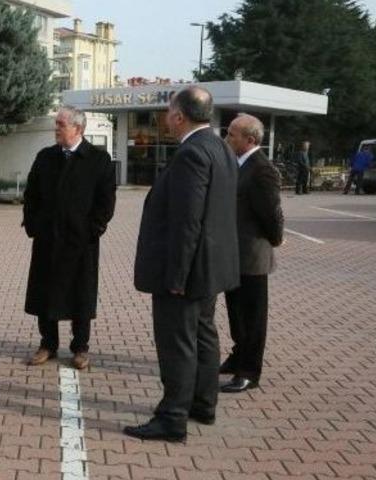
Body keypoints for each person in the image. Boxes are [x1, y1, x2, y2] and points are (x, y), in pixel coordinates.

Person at [124, 86, 240, 442]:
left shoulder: (192, 152)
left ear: (179, 116)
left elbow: (187, 220)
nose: (165, 118)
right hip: (211, 267)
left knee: (178, 343)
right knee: (204, 334)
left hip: (186, 270)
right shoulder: (220, 147)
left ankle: (172, 417)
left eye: (168, 112)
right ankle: (203, 404)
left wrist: (176, 275)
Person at [22, 106, 117, 370]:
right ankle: (48, 343)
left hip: (80, 243)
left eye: (61, 124)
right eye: (56, 124)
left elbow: (106, 202)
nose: (57, 129)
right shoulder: (45, 157)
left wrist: (92, 230)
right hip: (47, 239)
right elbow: (31, 195)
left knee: (81, 295)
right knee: (45, 292)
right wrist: (33, 225)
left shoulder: (98, 160)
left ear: (78, 128)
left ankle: (80, 348)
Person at [220, 113, 284, 394]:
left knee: (252, 316)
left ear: (249, 139)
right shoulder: (237, 163)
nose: (227, 137)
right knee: (236, 312)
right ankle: (238, 356)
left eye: (232, 133)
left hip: (252, 256)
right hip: (234, 254)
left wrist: (275, 240)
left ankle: (249, 371)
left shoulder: (261, 169)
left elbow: (271, 213)